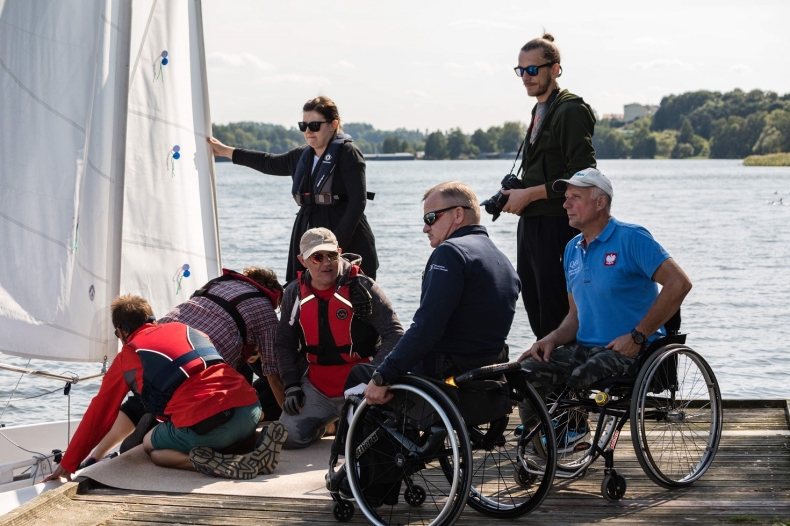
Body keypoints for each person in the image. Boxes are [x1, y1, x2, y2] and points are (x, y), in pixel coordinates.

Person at [43, 295, 288, 482]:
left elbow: (100, 412)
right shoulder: (188, 329)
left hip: (208, 422)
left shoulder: (129, 355)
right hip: (250, 410)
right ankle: (257, 442)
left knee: (152, 446)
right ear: (152, 318)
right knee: (224, 429)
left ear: (122, 331)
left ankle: (221, 464)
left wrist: (69, 463)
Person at [516, 168, 692, 426]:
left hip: (632, 351)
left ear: (600, 203)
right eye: (566, 197)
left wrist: (637, 336)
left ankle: (570, 431)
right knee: (525, 371)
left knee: (580, 376)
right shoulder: (572, 248)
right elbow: (575, 315)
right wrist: (550, 339)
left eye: (574, 196)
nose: (565, 204)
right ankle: (547, 446)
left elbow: (680, 283)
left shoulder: (631, 238)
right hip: (585, 349)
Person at [78, 267, 285, 467]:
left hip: (165, 338)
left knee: (141, 402)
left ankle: (95, 456)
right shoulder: (264, 308)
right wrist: (290, 418)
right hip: (202, 364)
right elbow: (274, 374)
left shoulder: (216, 285)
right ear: (273, 294)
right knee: (169, 432)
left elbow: (102, 406)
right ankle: (242, 440)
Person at [364, 181, 521, 405]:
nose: (425, 228)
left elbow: (427, 327)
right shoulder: (501, 258)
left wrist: (384, 374)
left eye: (430, 218)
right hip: (486, 372)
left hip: (445, 374)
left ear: (458, 214)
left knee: (361, 376)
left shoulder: (450, 252)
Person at [207, 96, 378, 282]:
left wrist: (333, 247)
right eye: (303, 126)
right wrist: (225, 151)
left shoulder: (348, 154)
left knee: (352, 298)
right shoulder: (300, 156)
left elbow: (357, 203)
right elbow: (268, 162)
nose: (308, 131)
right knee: (301, 291)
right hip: (307, 229)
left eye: (314, 126)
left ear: (333, 124)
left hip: (346, 234)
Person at [500, 33, 597, 340]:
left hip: (558, 225)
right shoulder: (539, 109)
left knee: (556, 311)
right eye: (521, 70)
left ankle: (564, 385)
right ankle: (548, 385)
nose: (526, 77)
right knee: (536, 308)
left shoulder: (570, 109)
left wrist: (529, 193)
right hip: (532, 225)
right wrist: (517, 191)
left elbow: (583, 174)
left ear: (555, 69)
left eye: (533, 70)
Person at [274, 227, 403, 448]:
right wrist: (292, 385)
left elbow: (395, 335)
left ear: (340, 252)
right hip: (316, 388)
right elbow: (284, 343)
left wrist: (377, 376)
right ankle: (331, 425)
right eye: (317, 257)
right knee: (287, 438)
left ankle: (343, 425)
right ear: (302, 260)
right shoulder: (294, 293)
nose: (326, 263)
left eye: (331, 255)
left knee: (359, 445)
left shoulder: (363, 287)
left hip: (358, 386)